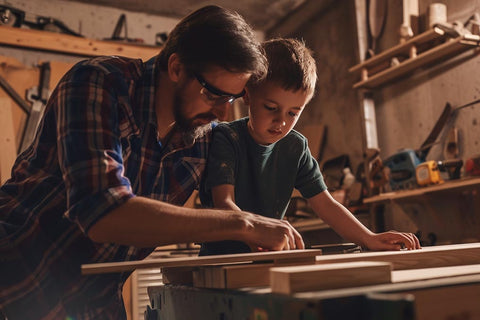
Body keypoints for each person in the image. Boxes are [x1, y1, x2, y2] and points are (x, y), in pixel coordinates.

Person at [0, 6, 306, 320]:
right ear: (177, 68)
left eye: (231, 99)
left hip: (93, 298)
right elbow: (102, 213)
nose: (222, 114)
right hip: (16, 276)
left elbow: (227, 211)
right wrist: (246, 225)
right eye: (214, 94)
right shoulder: (99, 84)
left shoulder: (204, 137)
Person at [199, 38, 421, 256]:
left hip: (266, 259)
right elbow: (224, 203)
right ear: (247, 95)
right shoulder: (226, 138)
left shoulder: (295, 147)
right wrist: (256, 230)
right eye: (271, 107)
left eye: (293, 113)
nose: (281, 121)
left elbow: (326, 204)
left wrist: (368, 237)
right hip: (219, 263)